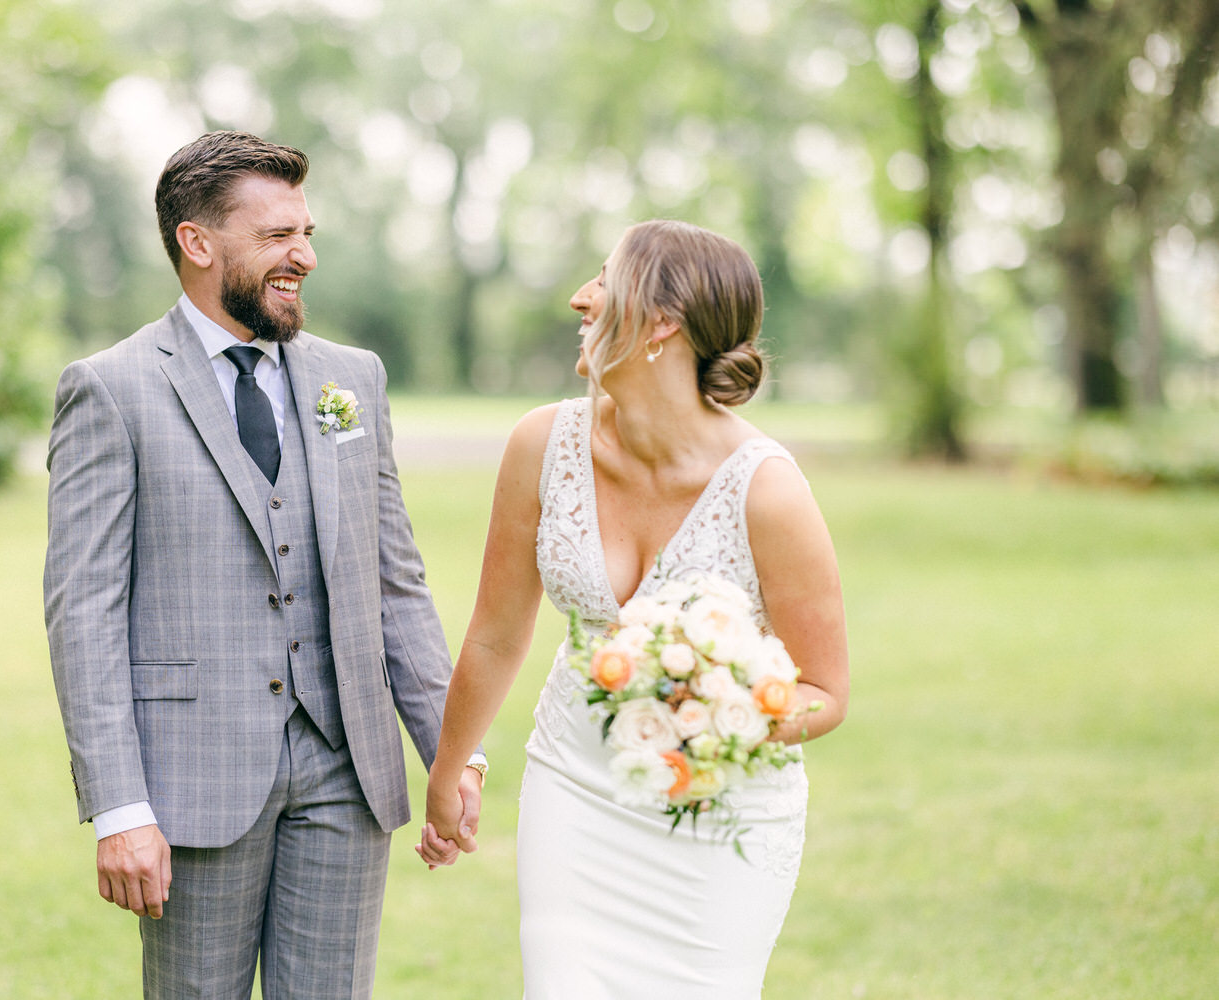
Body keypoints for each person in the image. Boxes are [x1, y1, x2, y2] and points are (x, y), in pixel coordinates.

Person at [43, 130, 484, 1000]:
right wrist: (121, 807)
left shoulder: (351, 378)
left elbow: (395, 580)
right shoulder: (112, 388)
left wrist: (451, 754)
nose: (305, 256)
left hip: (345, 771)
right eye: (278, 236)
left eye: (307, 232)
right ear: (197, 243)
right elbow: (83, 611)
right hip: (193, 778)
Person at [417, 220, 849, 998]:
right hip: (574, 790)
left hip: (719, 821)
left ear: (660, 324)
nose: (580, 298)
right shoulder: (539, 443)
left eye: (604, 280)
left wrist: (724, 715)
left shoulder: (769, 490)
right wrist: (451, 769)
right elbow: (495, 633)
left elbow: (825, 691)